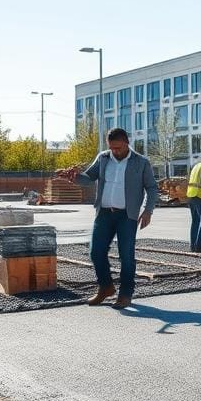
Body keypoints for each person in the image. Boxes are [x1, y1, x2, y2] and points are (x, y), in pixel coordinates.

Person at [77, 127, 157, 310]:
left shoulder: (141, 162)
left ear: (127, 143)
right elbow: (88, 178)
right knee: (95, 252)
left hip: (126, 216)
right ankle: (106, 287)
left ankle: (125, 294)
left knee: (126, 256)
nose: (115, 152)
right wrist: (74, 177)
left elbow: (152, 188)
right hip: (104, 213)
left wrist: (148, 210)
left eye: (118, 148)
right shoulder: (103, 158)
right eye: (112, 148)